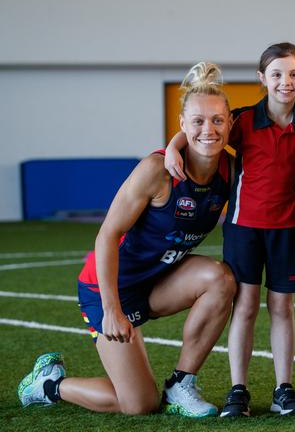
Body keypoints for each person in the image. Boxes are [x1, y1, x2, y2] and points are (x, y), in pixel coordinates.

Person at [17, 62, 238, 417]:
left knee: (220, 278)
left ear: (230, 123)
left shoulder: (230, 168)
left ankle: (182, 384)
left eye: (216, 120)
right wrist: (111, 310)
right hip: (108, 287)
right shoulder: (156, 172)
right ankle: (49, 384)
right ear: (181, 125)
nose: (208, 129)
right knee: (138, 405)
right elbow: (107, 235)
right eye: (197, 121)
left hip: (157, 281)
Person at [164, 43, 295, 417]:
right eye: (277, 74)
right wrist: (173, 145)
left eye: (294, 74)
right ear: (262, 78)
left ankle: (284, 388)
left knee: (282, 306)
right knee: (245, 306)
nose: (286, 82)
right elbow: (204, 130)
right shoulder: (243, 121)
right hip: (244, 228)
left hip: (287, 228)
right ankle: (239, 390)